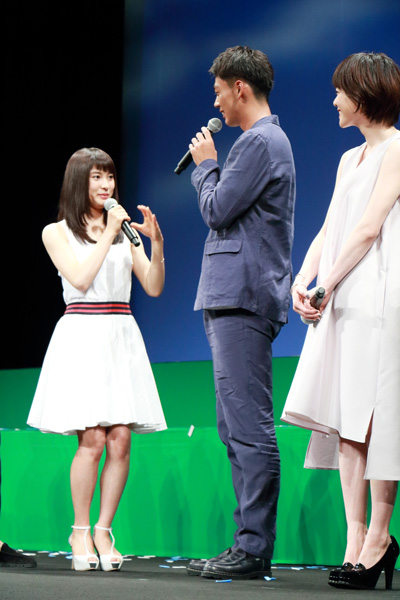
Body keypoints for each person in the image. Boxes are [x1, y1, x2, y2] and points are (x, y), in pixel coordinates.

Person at [281, 52, 400, 590]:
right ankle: (355, 542)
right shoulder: (349, 158)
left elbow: (369, 228)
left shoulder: (396, 149)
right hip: (343, 298)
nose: (333, 100)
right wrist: (303, 281)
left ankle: (379, 537)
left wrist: (324, 286)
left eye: (340, 91)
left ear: (364, 94)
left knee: (377, 420)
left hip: (379, 297)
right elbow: (331, 228)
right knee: (349, 422)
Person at [28, 148, 166, 572]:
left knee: (121, 438)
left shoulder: (123, 231)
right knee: (92, 439)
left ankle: (105, 530)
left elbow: (153, 286)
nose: (106, 185)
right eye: (97, 177)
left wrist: (156, 244)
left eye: (109, 176)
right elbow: (81, 278)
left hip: (120, 334)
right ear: (79, 182)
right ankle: (80, 531)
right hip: (83, 333)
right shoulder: (56, 232)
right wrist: (109, 232)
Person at [186, 46, 296, 580]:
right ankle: (245, 543)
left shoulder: (259, 142)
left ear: (239, 88)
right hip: (234, 296)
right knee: (234, 428)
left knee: (249, 428)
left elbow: (216, 210)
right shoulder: (262, 142)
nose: (216, 102)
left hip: (244, 297)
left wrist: (206, 166)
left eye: (218, 91)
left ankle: (254, 547)